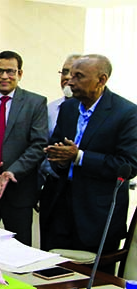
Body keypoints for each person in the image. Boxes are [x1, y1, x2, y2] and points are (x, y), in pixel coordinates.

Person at [42, 54, 137, 256]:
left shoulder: (127, 113)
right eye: (69, 75)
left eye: (79, 76)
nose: (70, 81)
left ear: (101, 80)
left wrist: (79, 157)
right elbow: (56, 146)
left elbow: (128, 165)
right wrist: (55, 155)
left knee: (93, 282)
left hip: (96, 216)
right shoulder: (68, 107)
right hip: (59, 208)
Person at [0, 50, 48, 245]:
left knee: (18, 251)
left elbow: (39, 145)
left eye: (10, 71)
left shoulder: (35, 103)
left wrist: (12, 172)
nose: (4, 76)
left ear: (20, 74)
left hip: (18, 191)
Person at [39, 54, 81, 188]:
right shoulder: (50, 109)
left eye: (74, 73)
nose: (68, 77)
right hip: (53, 184)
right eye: (65, 72)